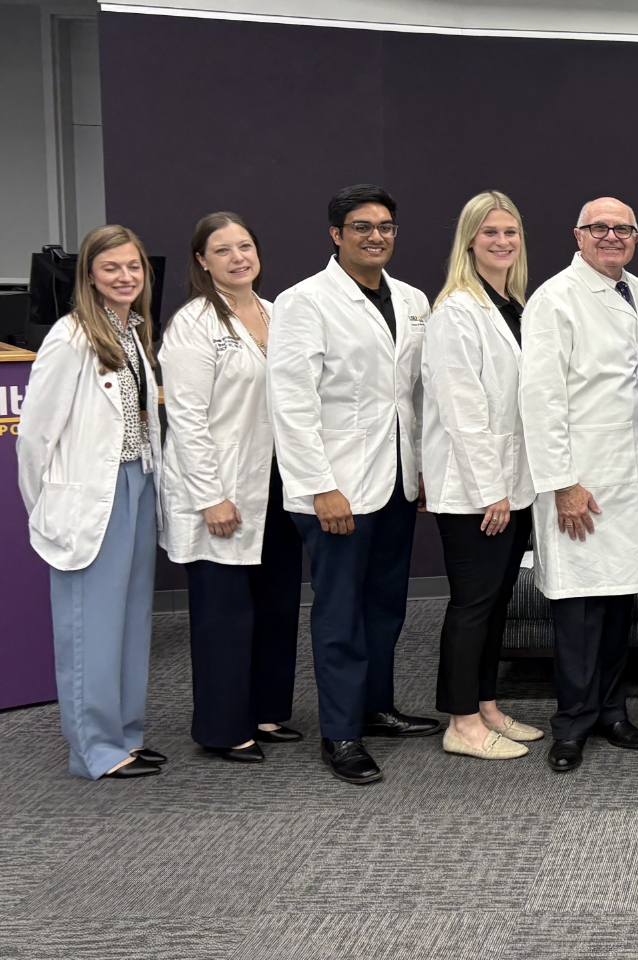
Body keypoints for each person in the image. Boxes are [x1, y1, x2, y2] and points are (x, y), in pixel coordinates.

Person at [269, 184, 439, 785]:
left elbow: (413, 397)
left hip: (394, 483)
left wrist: (417, 471)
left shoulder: (413, 299)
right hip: (336, 488)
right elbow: (290, 404)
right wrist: (320, 486)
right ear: (336, 235)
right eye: (362, 226)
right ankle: (340, 732)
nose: (377, 236)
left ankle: (375, 707)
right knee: (340, 611)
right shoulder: (303, 303)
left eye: (387, 226)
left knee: (385, 605)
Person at [17, 225, 166, 779]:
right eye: (111, 269)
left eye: (133, 267)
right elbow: (35, 438)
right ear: (89, 277)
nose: (125, 277)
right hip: (90, 497)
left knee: (129, 623)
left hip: (137, 485)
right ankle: (93, 750)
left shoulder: (133, 333)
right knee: (90, 627)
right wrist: (48, 506)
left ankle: (124, 734)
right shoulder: (70, 336)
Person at [522, 197, 638, 773]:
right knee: (580, 606)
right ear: (577, 236)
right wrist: (563, 483)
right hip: (580, 479)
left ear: (635, 236)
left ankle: (611, 709)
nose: (611, 236)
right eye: (598, 228)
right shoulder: (554, 299)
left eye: (622, 228)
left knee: (617, 601)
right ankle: (572, 723)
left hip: (629, 478)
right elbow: (540, 396)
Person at [161, 212, 303, 764]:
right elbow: (188, 419)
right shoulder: (194, 325)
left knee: (275, 601)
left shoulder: (276, 314)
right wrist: (210, 497)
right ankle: (223, 727)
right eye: (222, 250)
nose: (238, 257)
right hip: (221, 485)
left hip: (274, 479)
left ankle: (265, 710)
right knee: (225, 613)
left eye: (245, 246)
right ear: (202, 261)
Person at [421, 191, 541, 762]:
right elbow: (461, 409)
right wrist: (489, 489)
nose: (501, 242)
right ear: (469, 240)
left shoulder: (509, 303)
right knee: (472, 604)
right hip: (475, 492)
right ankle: (461, 722)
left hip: (511, 484)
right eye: (490, 232)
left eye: (510, 233)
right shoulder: (456, 311)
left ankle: (487, 704)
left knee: (495, 604)